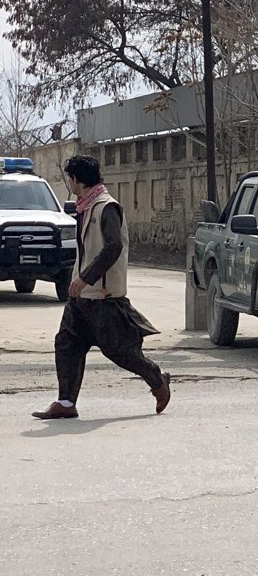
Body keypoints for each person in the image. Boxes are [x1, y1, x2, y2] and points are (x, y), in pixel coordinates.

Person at [31, 155, 167, 420]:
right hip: (81, 296)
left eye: (70, 177)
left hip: (103, 296)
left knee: (120, 351)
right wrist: (78, 281)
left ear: (77, 180)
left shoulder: (107, 207)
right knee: (67, 344)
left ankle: (157, 379)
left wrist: (87, 278)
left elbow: (113, 247)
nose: (69, 182)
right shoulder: (85, 206)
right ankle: (66, 403)